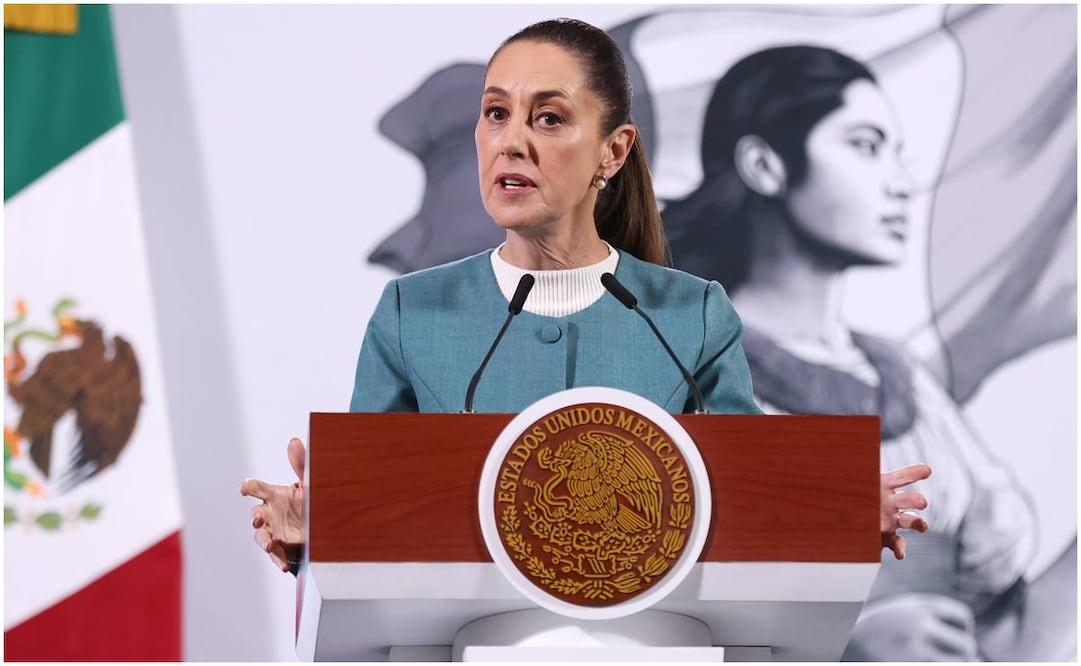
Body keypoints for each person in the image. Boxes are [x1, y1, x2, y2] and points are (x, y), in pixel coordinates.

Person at [241, 19, 930, 595]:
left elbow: (745, 508)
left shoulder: (691, 316)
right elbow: (376, 520)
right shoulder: (410, 312)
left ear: (612, 151)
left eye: (547, 117)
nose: (510, 141)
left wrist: (834, 517)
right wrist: (317, 527)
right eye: (494, 114)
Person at [664, 45, 1059, 660]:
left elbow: (1008, 628)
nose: (902, 184)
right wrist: (840, 643)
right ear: (765, 164)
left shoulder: (902, 377)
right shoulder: (681, 366)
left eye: (898, 154)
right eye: (866, 146)